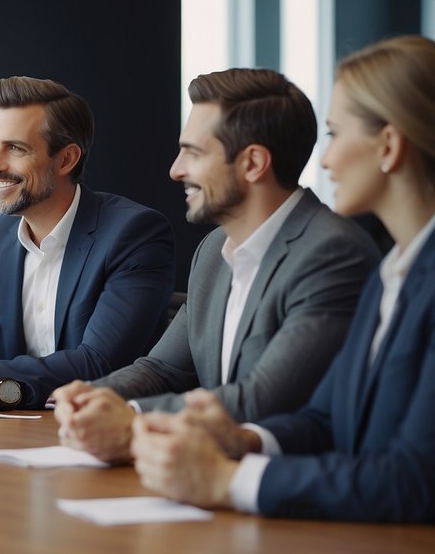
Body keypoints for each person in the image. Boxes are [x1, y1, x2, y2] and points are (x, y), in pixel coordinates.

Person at [131, 35, 435, 523]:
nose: (324, 160)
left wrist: (228, 480)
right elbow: (326, 420)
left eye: (336, 135)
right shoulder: (392, 272)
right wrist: (243, 439)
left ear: (389, 145)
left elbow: (416, 479)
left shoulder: (360, 258)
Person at [53, 68, 379, 462]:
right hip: (207, 482)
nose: (176, 169)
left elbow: (261, 399)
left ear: (253, 163)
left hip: (290, 495)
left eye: (193, 152)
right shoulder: (213, 250)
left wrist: (128, 415)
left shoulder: (332, 254)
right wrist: (96, 395)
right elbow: (161, 370)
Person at [0, 76, 175, 411]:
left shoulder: (134, 233)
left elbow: (97, 364)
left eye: (15, 148)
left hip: (105, 431)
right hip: (11, 434)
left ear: (66, 159)